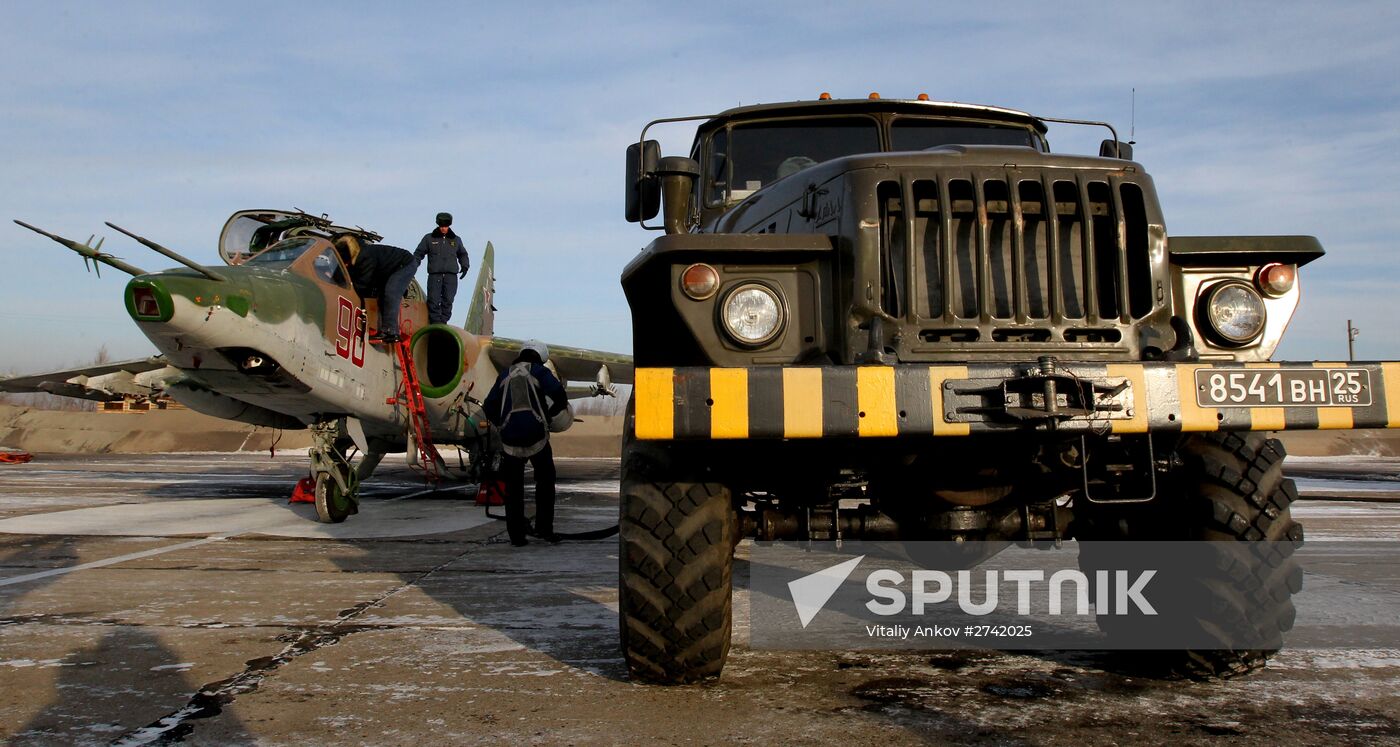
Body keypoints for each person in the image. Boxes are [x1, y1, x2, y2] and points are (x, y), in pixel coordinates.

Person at [482, 340, 572, 546]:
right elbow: (559, 395)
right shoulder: (540, 371)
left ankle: (516, 536)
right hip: (537, 438)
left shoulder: (505, 374)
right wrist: (549, 416)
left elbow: (489, 406)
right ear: (541, 357)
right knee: (545, 482)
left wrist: (502, 425)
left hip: (510, 442)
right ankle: (544, 529)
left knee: (513, 490)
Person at [334, 235, 417, 344]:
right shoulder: (355, 257)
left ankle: (391, 332)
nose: (345, 265)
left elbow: (363, 284)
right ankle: (384, 331)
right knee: (382, 297)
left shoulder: (365, 256)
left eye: (345, 262)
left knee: (391, 293)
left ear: (349, 257)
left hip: (405, 264)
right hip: (388, 270)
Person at [413, 212, 471, 326]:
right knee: (433, 300)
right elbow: (418, 254)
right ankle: (435, 322)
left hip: (451, 275)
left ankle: (443, 322)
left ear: (449, 226)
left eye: (446, 226)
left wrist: (465, 265)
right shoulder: (429, 238)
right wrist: (413, 266)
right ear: (438, 225)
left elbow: (463, 254)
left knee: (448, 300)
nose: (443, 229)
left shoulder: (456, 240)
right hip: (435, 275)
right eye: (441, 226)